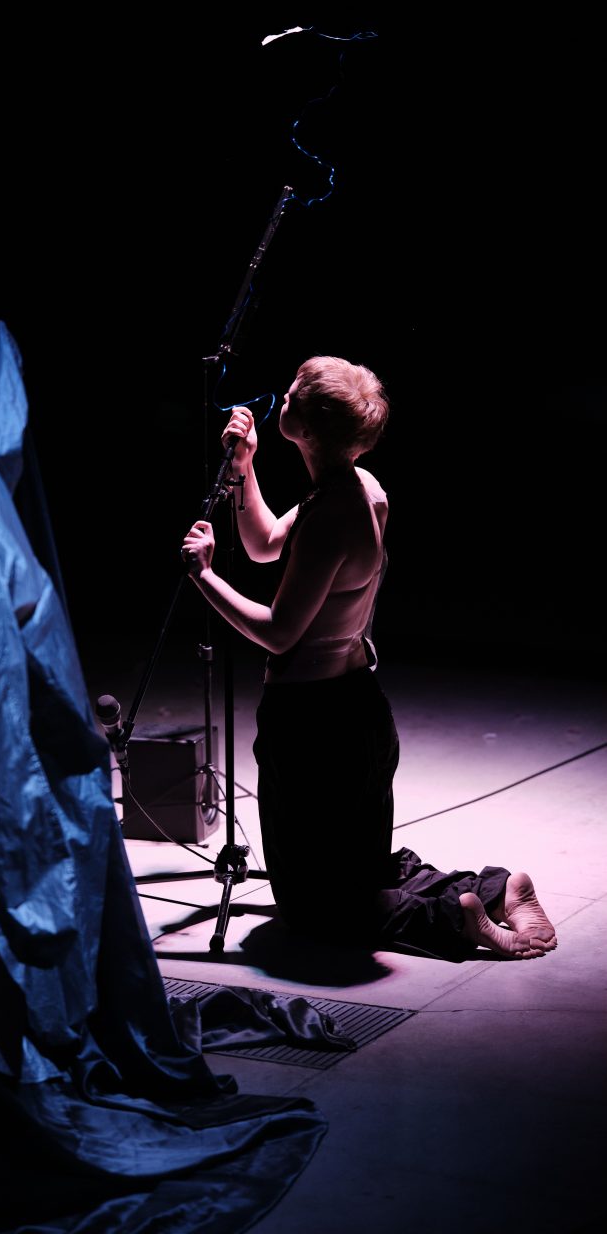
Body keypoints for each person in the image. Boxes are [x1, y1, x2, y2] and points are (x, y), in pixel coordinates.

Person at [181, 356, 558, 961]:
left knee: (312, 904)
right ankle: (493, 889)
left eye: (294, 393)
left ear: (309, 427)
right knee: (358, 867)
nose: (283, 395)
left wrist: (203, 576)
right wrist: (245, 468)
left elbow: (279, 633)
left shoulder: (331, 515)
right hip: (357, 709)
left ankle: (452, 919)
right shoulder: (358, 488)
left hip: (312, 723)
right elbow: (263, 545)